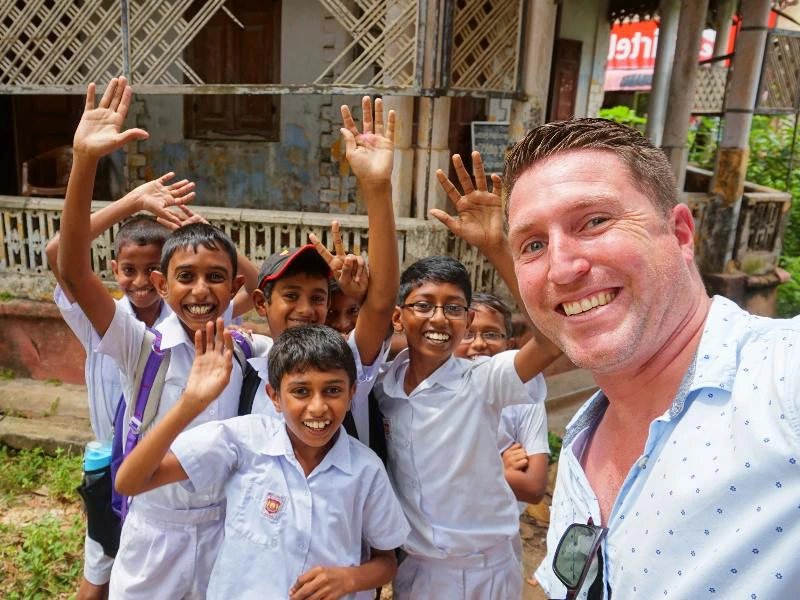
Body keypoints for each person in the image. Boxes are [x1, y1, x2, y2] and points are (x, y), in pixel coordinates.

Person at [503, 118, 800, 598]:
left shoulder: (779, 379)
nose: (561, 267)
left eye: (594, 221)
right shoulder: (582, 439)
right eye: (533, 245)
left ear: (681, 234)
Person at [57, 77, 263, 599]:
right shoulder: (140, 345)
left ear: (233, 287)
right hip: (154, 536)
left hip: (224, 535)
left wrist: (202, 227)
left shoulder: (244, 348)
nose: (200, 290)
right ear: (159, 285)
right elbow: (73, 268)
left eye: (216, 277)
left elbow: (264, 287)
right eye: (185, 277)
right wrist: (85, 163)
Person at [115, 322, 410, 600]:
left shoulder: (366, 470)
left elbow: (386, 561)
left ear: (351, 394)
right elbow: (130, 481)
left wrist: (349, 579)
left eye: (332, 390)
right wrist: (189, 404)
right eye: (301, 391)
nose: (318, 407)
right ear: (274, 396)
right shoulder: (243, 442)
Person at [373, 253, 558, 599]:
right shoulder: (385, 386)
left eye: (454, 308)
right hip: (416, 568)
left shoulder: (483, 380)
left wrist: (498, 247)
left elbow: (551, 340)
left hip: (484, 571)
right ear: (398, 317)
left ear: (468, 318)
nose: (440, 319)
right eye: (424, 305)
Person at [46, 175, 194, 600]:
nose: (142, 281)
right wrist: (130, 203)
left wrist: (192, 234)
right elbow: (59, 253)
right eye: (129, 270)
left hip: (165, 471)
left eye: (153, 270)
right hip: (110, 466)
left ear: (167, 274)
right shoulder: (101, 317)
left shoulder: (183, 323)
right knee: (99, 573)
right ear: (114, 271)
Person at [246, 97, 399, 457]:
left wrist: (376, 188)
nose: (305, 308)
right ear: (260, 303)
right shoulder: (246, 368)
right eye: (291, 295)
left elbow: (380, 303)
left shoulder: (345, 359)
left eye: (317, 298)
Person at [454, 291, 549, 511]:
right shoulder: (435, 388)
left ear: (510, 344)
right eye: (467, 334)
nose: (478, 344)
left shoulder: (526, 395)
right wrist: (498, 467)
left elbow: (534, 487)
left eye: (491, 334)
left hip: (499, 528)